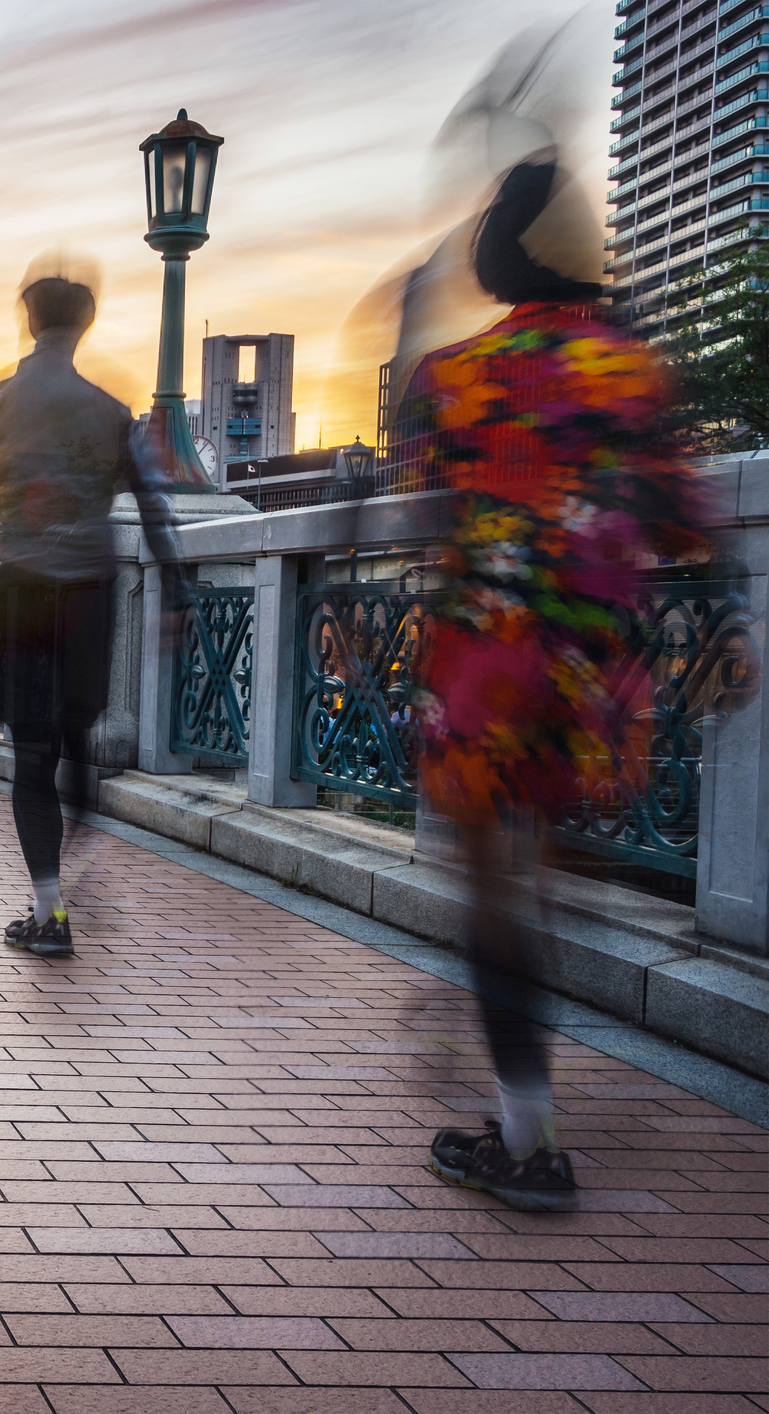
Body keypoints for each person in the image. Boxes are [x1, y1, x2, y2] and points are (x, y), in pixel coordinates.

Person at [404, 156, 720, 1213]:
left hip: (486, 669)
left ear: (500, 254)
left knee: (496, 900)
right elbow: (683, 519)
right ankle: (530, 1104)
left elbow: (435, 514)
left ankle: (529, 1135)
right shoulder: (631, 372)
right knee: (547, 878)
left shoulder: (452, 376)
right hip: (594, 674)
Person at [0, 269, 182, 959]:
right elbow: (152, 503)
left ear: (28, 320)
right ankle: (77, 866)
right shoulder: (112, 410)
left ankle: (49, 908)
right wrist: (173, 590)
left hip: (24, 587)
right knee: (76, 741)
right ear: (84, 325)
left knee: (32, 760)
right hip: (92, 589)